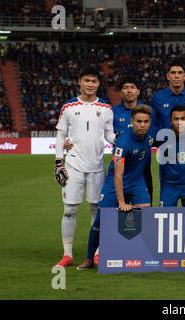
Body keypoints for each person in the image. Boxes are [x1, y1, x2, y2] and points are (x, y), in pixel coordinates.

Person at [76, 106, 154, 270]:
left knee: (146, 212)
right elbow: (119, 175)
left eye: (146, 121)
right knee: (102, 217)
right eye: (139, 121)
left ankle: (135, 253)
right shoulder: (123, 142)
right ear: (132, 122)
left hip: (137, 181)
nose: (142, 125)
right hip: (116, 182)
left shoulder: (150, 136)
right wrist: (122, 202)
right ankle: (89, 258)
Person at [54, 65, 115, 267]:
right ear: (79, 82)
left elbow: (109, 135)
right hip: (73, 165)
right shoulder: (69, 107)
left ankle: (96, 253)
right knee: (70, 209)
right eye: (87, 80)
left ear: (98, 84)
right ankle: (67, 254)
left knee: (97, 210)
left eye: (94, 81)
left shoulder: (106, 108)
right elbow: (61, 134)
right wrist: (58, 161)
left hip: (97, 165)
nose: (90, 84)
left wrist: (124, 140)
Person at [112, 75, 154, 206]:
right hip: (122, 165)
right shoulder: (113, 112)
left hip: (142, 167)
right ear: (121, 92)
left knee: (145, 209)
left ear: (138, 91)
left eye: (132, 87)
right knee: (119, 208)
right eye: (125, 88)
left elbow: (157, 132)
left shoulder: (149, 111)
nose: (129, 90)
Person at [158, 106, 185, 207]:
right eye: (176, 119)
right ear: (170, 121)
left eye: (183, 119)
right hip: (169, 186)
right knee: (165, 220)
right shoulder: (162, 137)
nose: (179, 122)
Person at [150, 61, 185, 129]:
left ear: (184, 76)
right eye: (173, 73)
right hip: (166, 138)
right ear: (168, 76)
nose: (176, 76)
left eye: (180, 73)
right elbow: (152, 123)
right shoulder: (157, 98)